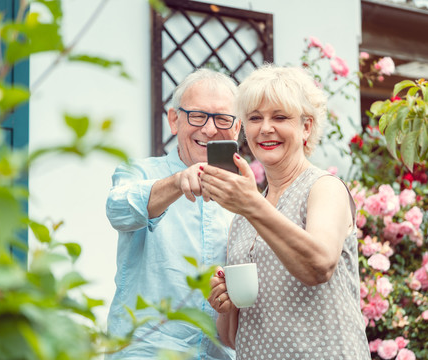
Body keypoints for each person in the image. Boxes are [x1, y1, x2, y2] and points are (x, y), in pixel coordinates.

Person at [201, 64, 371, 359]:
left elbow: (319, 265)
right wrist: (225, 306)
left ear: (306, 127)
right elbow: (231, 337)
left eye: (280, 117)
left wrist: (252, 205)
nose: (266, 128)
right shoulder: (242, 216)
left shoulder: (323, 187)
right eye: (255, 118)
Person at [105, 68, 241, 359]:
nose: (209, 129)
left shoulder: (245, 196)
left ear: (237, 128)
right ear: (174, 120)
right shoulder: (139, 171)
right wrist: (178, 182)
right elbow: (117, 210)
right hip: (145, 351)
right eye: (197, 116)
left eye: (222, 118)